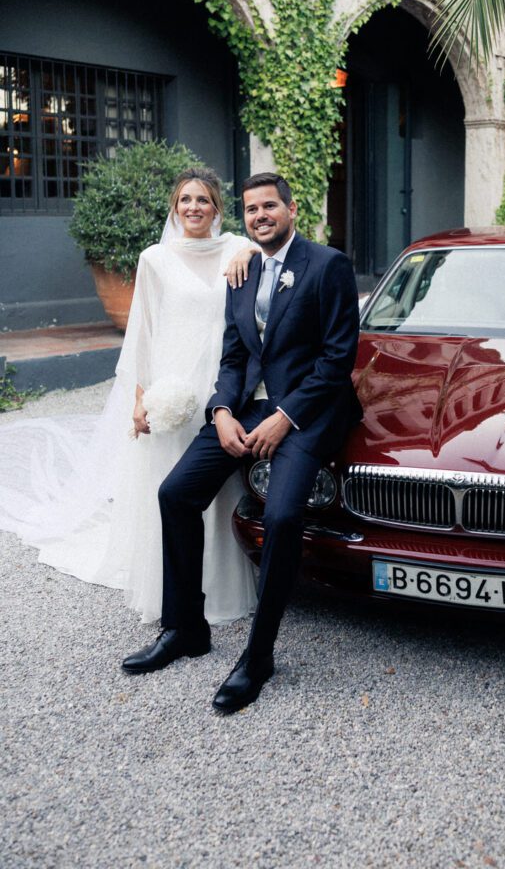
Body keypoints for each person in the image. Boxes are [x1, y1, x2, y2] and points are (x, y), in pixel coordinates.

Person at [122, 172, 362, 714]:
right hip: (245, 409)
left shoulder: (328, 265)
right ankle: (185, 628)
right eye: (252, 209)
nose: (260, 216)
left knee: (279, 517)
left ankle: (258, 656)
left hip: (307, 413)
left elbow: (335, 361)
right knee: (175, 493)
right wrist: (223, 411)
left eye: (269, 207)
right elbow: (235, 357)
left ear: (292, 210)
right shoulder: (243, 268)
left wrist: (284, 418)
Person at [0, 167, 259, 626]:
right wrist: (143, 400)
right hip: (174, 385)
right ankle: (175, 592)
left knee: (218, 487)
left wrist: (252, 249)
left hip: (221, 384)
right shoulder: (155, 258)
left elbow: (275, 250)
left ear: (217, 208)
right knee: (172, 484)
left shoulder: (238, 250)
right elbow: (144, 333)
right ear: (174, 207)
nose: (193, 208)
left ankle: (221, 586)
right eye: (185, 200)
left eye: (202, 200)